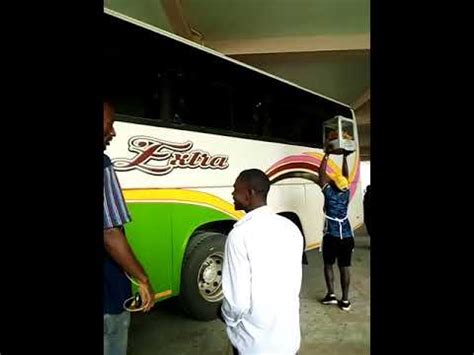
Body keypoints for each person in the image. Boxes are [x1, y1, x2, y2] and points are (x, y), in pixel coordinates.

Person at [221, 169, 304, 355]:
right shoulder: (290, 228)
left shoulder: (239, 235)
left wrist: (224, 314)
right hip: (288, 341)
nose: (232, 193)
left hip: (255, 345)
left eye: (236, 189)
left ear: (249, 193)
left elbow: (237, 304)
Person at [103, 101, 155, 355]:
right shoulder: (102, 165)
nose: (112, 132)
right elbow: (110, 233)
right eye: (109, 124)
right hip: (107, 295)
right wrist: (143, 279)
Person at [317, 146, 355, 311]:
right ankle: (345, 300)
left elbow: (321, 174)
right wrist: (345, 158)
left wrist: (326, 155)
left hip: (331, 235)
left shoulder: (329, 193)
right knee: (344, 267)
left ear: (333, 184)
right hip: (346, 236)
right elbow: (345, 177)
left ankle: (331, 295)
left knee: (328, 265)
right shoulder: (346, 192)